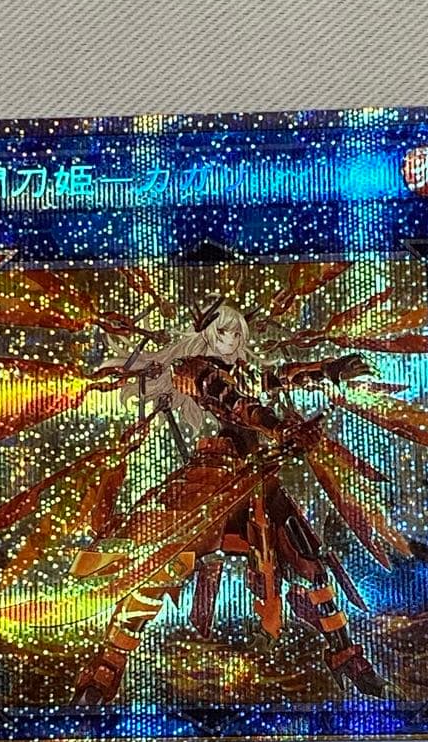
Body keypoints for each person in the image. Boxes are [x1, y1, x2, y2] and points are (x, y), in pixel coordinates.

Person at [74, 302, 392, 705]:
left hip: (257, 475)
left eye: (238, 331)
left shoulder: (244, 372)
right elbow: (234, 404)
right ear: (209, 334)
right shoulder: (195, 370)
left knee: (309, 559)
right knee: (168, 561)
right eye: (225, 331)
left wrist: (330, 369)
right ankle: (108, 665)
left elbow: (279, 377)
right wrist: (280, 428)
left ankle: (344, 654)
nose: (234, 338)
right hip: (213, 478)